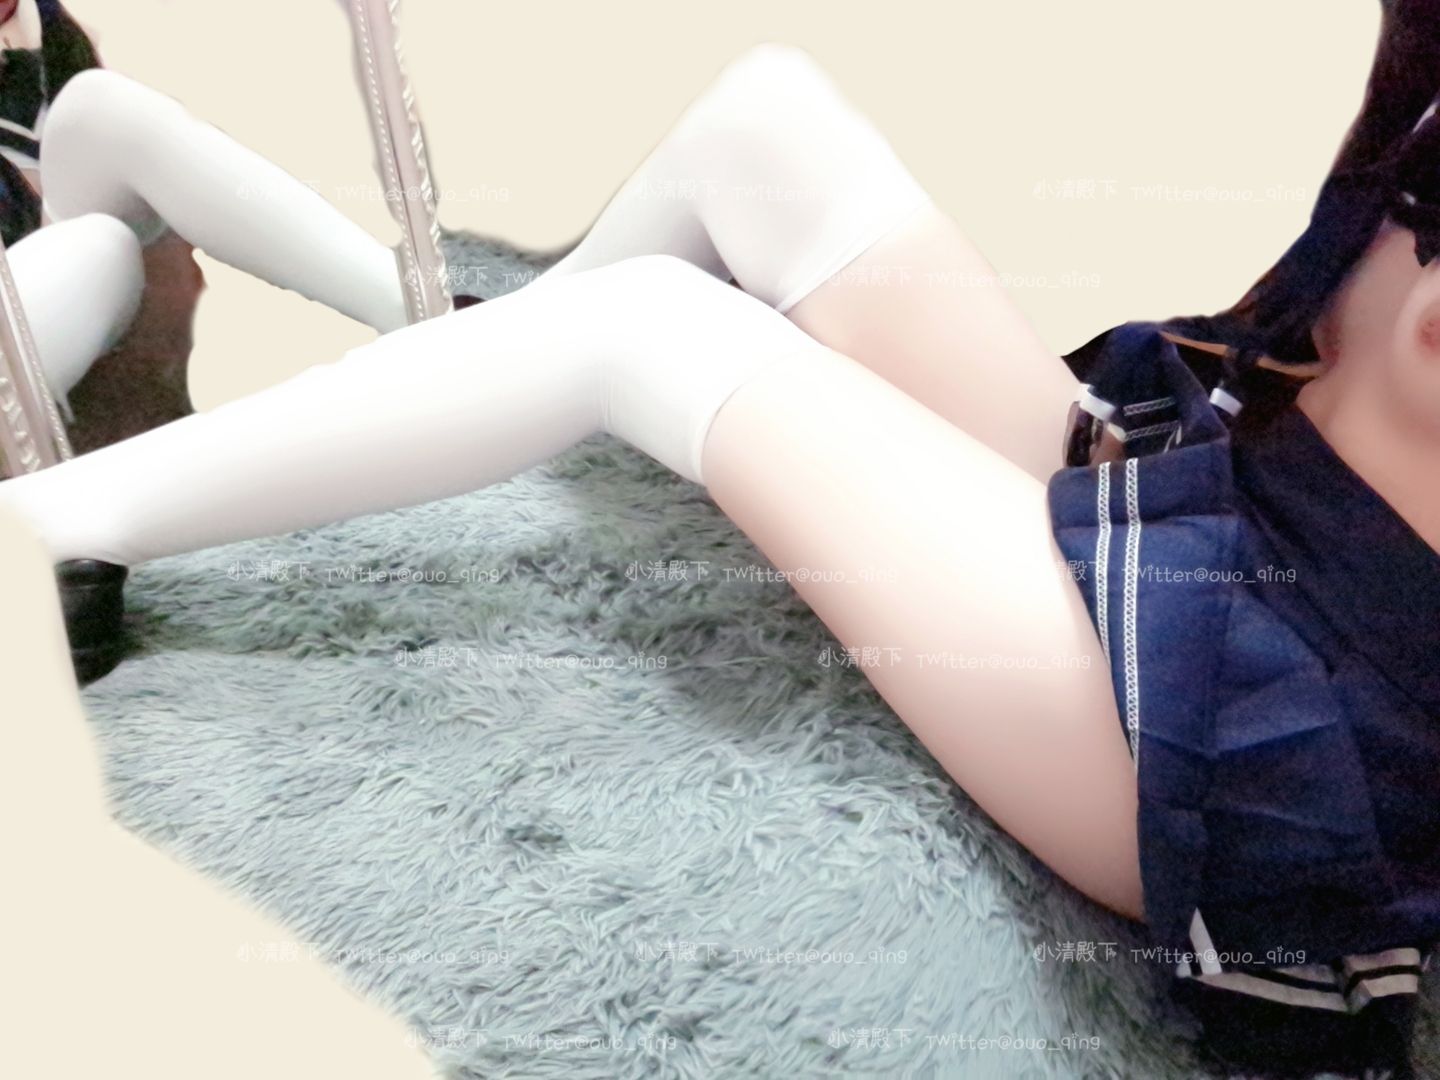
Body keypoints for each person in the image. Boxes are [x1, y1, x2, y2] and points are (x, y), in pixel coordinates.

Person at [1, 11, 1437, 1078]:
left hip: (1255, 722)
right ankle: (490, 354)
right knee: (765, 123)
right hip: (1203, 500)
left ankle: (46, 535)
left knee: (652, 333)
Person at [0, 0, 408, 426]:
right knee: (96, 247)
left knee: (97, 109)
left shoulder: (43, 24)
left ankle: (410, 303)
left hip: (40, 279)